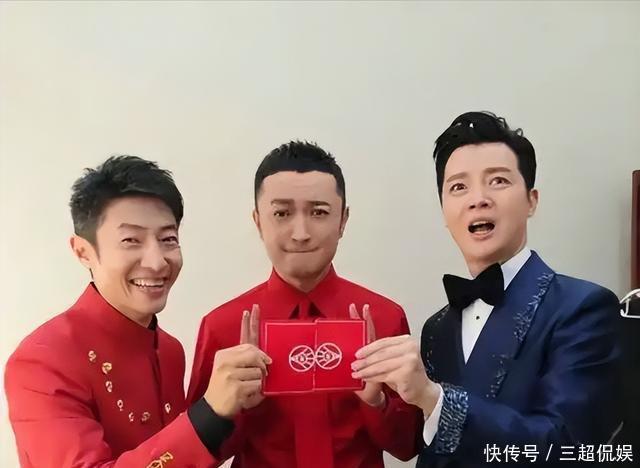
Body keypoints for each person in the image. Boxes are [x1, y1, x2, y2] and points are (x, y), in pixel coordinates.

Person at [352, 112, 623, 466]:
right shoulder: (437, 327)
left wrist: (435, 399)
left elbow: (566, 446)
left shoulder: (584, 308)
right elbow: (429, 448)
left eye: (498, 180)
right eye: (458, 187)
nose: (478, 199)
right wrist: (379, 400)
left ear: (531, 200)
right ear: (444, 210)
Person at [5, 155, 270, 467]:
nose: (156, 262)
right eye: (131, 240)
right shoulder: (42, 360)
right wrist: (208, 414)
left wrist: (230, 410)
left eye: (168, 239)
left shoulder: (169, 350)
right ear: (83, 251)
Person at [187, 141, 420, 468]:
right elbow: (194, 453)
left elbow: (409, 446)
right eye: (282, 213)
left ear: (343, 220)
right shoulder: (222, 327)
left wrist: (376, 402)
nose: (300, 233)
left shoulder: (385, 319)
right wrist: (235, 409)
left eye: (319, 212)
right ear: (258, 221)